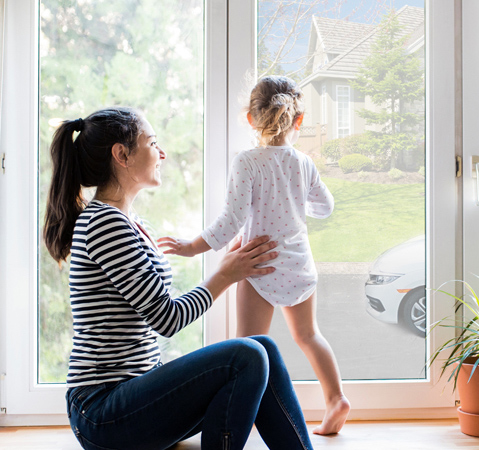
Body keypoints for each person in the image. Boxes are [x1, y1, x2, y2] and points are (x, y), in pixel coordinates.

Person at [43, 106, 314, 450]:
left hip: (134, 395)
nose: (162, 153)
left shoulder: (129, 222)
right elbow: (167, 319)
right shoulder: (104, 224)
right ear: (121, 155)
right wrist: (225, 274)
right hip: (102, 411)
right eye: (153, 142)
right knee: (246, 355)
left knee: (262, 347)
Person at [158, 75, 350, 435]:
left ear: (250, 118)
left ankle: (242, 423)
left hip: (258, 265)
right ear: (299, 120)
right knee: (309, 335)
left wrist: (190, 247)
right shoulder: (303, 163)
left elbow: (230, 222)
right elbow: (325, 206)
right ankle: (336, 398)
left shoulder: (246, 163)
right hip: (298, 264)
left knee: (248, 350)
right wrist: (293, 204)